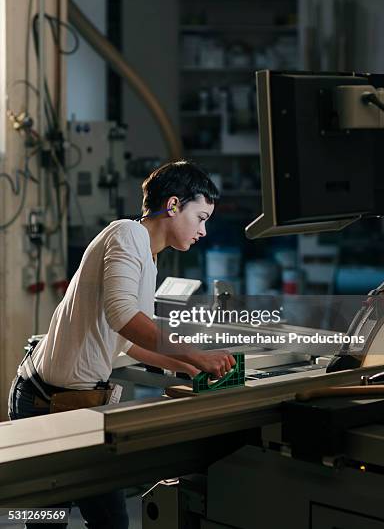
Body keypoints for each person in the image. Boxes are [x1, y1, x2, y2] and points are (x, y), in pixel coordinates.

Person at [8, 159, 235, 529]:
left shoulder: (148, 255)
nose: (204, 231)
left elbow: (126, 340)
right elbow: (123, 316)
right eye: (202, 217)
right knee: (52, 521)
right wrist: (194, 353)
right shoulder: (127, 234)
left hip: (74, 403)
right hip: (45, 402)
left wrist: (187, 367)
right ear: (173, 205)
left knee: (108, 519)